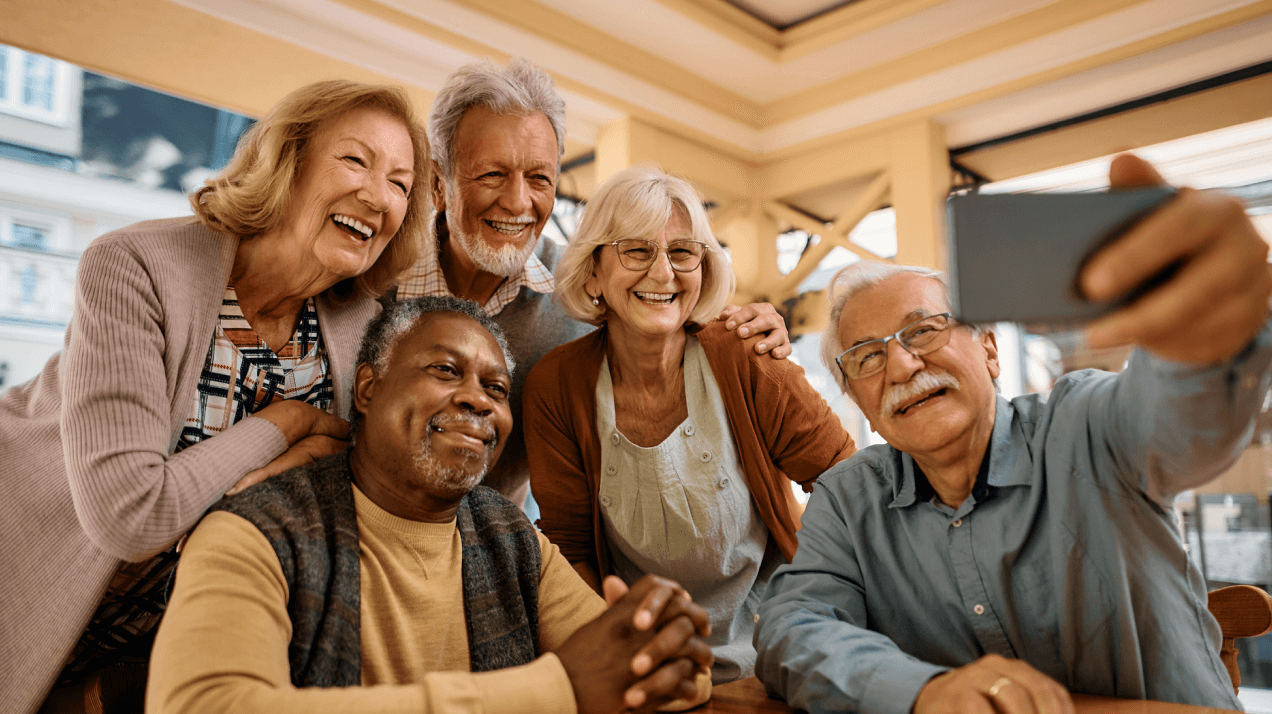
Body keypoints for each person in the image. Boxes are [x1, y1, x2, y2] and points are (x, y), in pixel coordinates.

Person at [754, 154, 1272, 714]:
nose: (901, 367)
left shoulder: (1084, 427)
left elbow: (1179, 423)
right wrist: (920, 691)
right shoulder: (849, 497)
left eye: (923, 331)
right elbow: (792, 627)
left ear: (990, 349)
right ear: (858, 400)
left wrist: (1202, 343)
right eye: (867, 358)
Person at [0, 80, 430, 714]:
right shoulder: (135, 264)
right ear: (290, 160)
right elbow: (130, 516)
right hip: (32, 579)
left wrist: (313, 456)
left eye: (400, 182)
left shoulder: (357, 325)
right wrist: (285, 424)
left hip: (154, 648)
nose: (377, 194)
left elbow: (350, 469)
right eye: (356, 160)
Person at [146, 296, 714, 714]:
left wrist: (669, 648)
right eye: (446, 370)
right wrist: (555, 691)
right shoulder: (253, 533)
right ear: (368, 389)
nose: (477, 399)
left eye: (496, 389)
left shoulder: (511, 536)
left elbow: (636, 672)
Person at [394, 57, 791, 510]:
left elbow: (670, 314)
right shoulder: (372, 277)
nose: (518, 201)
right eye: (492, 174)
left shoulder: (587, 285)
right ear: (437, 181)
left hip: (492, 550)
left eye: (539, 178)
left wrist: (749, 328)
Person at [524, 165, 857, 684]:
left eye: (682, 252)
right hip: (646, 662)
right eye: (636, 250)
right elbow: (571, 549)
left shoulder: (745, 353)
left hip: (778, 655)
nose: (663, 274)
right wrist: (625, 656)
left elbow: (846, 483)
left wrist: (810, 605)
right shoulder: (556, 385)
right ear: (593, 271)